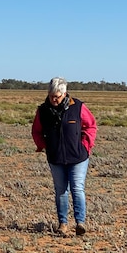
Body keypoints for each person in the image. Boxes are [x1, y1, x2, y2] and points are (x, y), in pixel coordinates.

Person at [31, 77, 97, 237]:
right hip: (56, 158)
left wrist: (85, 145)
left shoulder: (78, 107)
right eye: (52, 95)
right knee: (61, 190)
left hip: (78, 157)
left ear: (65, 93)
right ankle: (63, 224)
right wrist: (44, 146)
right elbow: (36, 131)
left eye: (58, 96)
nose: (54, 99)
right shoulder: (43, 110)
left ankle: (80, 223)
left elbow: (91, 126)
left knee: (77, 188)